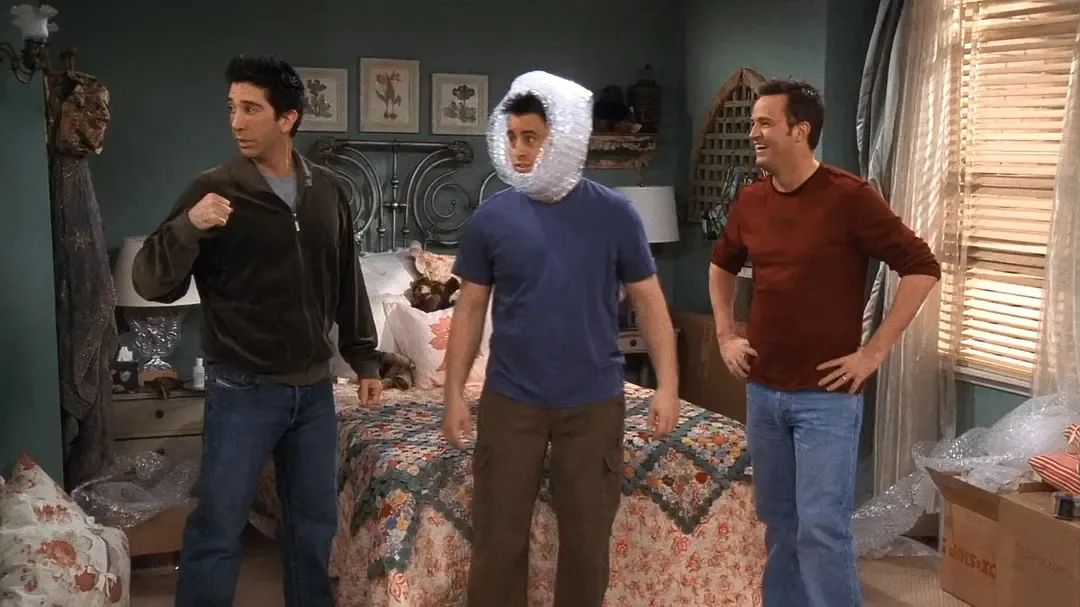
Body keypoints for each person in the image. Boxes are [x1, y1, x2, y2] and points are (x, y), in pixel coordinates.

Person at [132, 55, 383, 607]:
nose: (236, 122)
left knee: (314, 528)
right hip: (242, 389)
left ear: (287, 118)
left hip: (314, 391)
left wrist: (364, 358)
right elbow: (150, 281)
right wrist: (189, 226)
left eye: (251, 109)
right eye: (232, 109)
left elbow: (347, 278)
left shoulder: (328, 190)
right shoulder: (213, 189)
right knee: (219, 527)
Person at [440, 71, 680, 607]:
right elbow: (470, 309)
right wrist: (453, 394)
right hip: (510, 400)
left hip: (593, 402)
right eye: (512, 137)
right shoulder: (492, 218)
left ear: (565, 137)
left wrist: (667, 387)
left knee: (587, 545)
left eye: (532, 137)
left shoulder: (615, 214)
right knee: (497, 544)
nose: (519, 150)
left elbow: (649, 302)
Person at [708, 79, 940, 607]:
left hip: (826, 399)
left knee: (822, 529)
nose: (753, 134)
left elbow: (922, 267)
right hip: (763, 392)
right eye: (752, 124)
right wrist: (725, 334)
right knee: (779, 523)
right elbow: (721, 265)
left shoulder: (849, 197)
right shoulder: (751, 200)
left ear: (800, 130)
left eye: (765, 123)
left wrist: (875, 351)